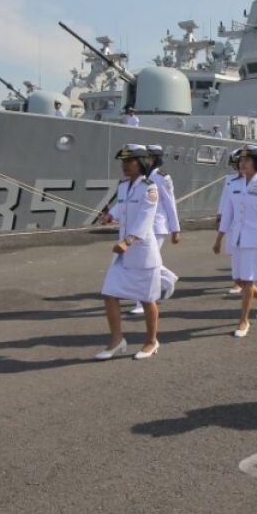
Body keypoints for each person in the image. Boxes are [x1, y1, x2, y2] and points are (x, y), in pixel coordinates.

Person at [96, 144, 162, 360]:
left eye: (129, 161)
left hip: (142, 252)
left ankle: (151, 341)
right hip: (123, 253)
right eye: (123, 162)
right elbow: (121, 206)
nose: (124, 166)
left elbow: (145, 218)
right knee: (109, 294)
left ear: (141, 163)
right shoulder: (124, 186)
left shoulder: (150, 188)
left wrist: (128, 241)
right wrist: (110, 215)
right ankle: (117, 340)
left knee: (147, 299)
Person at [213, 145, 257, 337]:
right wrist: (219, 238)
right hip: (237, 237)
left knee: (248, 280)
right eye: (241, 160)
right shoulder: (234, 184)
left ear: (256, 163)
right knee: (239, 279)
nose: (242, 163)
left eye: (247, 160)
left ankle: (243, 321)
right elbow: (228, 214)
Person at [125, 146, 181, 315]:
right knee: (143, 262)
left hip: (157, 226)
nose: (145, 160)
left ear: (155, 159)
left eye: (148, 157)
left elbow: (170, 204)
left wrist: (175, 229)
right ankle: (167, 279)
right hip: (140, 226)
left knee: (144, 264)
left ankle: (142, 302)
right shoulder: (140, 177)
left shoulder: (162, 177)